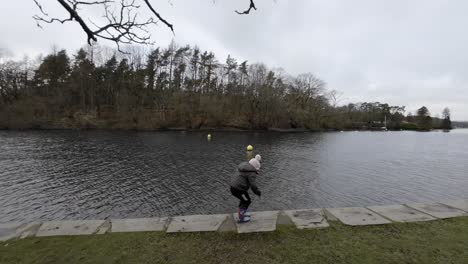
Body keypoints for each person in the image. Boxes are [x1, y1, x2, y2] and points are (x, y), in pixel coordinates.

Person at [230, 154, 262, 223]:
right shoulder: (251, 173)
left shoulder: (243, 168)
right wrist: (258, 192)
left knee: (244, 200)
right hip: (239, 189)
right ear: (255, 168)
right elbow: (253, 185)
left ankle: (242, 214)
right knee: (246, 201)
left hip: (233, 187)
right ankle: (241, 218)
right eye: (257, 170)